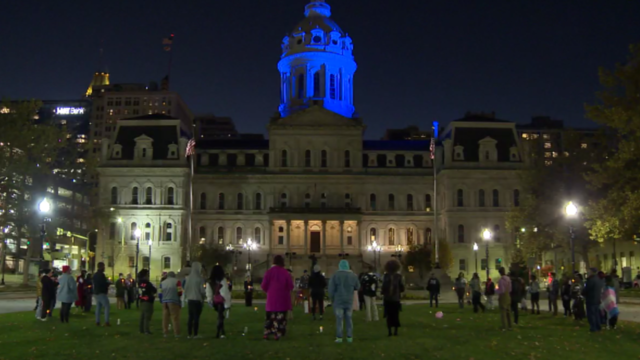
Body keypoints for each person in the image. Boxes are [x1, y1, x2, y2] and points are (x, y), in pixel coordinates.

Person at [261, 255, 294, 340]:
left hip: (271, 299)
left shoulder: (269, 272)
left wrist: (269, 291)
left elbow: (263, 285)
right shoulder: (285, 273)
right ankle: (278, 333)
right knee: (280, 317)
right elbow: (291, 286)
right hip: (283, 299)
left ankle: (267, 332)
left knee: (270, 318)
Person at [328, 259, 360, 343]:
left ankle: (339, 337)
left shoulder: (335, 275)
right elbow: (358, 286)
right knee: (349, 318)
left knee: (339, 319)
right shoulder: (353, 275)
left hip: (338, 300)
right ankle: (349, 337)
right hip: (349, 300)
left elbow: (331, 288)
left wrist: (331, 298)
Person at [206, 265, 232, 339]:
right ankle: (220, 332)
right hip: (221, 300)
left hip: (215, 301)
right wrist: (227, 303)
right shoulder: (223, 280)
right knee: (220, 317)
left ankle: (221, 332)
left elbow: (209, 292)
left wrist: (210, 300)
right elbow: (225, 292)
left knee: (220, 316)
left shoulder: (210, 281)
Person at [183, 261, 206, 339]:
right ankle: (195, 334)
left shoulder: (188, 278)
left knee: (190, 317)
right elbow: (202, 290)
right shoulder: (199, 279)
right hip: (197, 299)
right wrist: (203, 296)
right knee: (196, 317)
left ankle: (189, 334)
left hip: (190, 299)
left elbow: (185, 289)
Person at [381, 260, 404, 337]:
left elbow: (383, 287)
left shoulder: (386, 276)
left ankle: (390, 331)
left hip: (387, 298)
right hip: (396, 299)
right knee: (396, 315)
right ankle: (396, 331)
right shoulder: (398, 276)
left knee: (389, 315)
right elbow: (402, 287)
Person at [160, 271, 182, 338]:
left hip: (165, 301)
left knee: (165, 318)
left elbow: (160, 293)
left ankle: (165, 332)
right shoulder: (177, 282)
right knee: (175, 317)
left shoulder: (162, 283)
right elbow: (180, 292)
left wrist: (162, 300)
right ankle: (176, 333)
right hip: (174, 301)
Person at [583, 267, 604, 332]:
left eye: (589, 271)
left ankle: (593, 327)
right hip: (597, 299)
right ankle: (598, 326)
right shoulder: (598, 279)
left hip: (591, 299)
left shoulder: (591, 280)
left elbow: (587, 289)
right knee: (596, 314)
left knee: (591, 314)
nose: (588, 273)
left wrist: (583, 293)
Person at [138, 269, 157, 335]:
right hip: (148, 300)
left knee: (142, 315)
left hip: (142, 300)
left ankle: (141, 329)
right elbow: (154, 290)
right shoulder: (147, 283)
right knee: (147, 316)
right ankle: (146, 330)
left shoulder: (139, 282)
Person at [93, 262, 111, 326]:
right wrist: (108, 283)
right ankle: (106, 321)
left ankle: (97, 321)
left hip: (96, 292)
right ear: (101, 267)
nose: (104, 268)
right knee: (107, 306)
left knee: (98, 306)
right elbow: (103, 284)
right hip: (101, 292)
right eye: (104, 266)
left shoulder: (95, 275)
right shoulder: (101, 275)